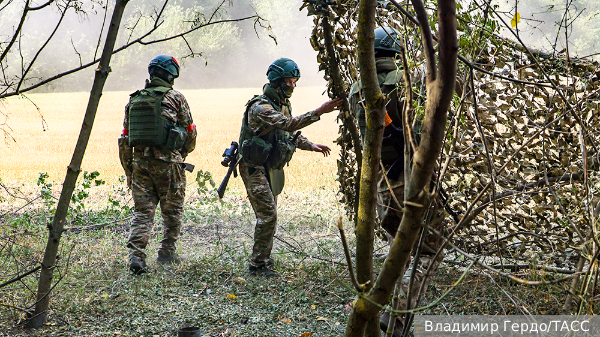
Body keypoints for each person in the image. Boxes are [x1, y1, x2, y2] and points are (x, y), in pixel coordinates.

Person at [348, 27, 446, 336]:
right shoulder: (411, 81)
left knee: (397, 249)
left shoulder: (357, 89)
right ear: (396, 52)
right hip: (411, 180)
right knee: (427, 252)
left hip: (380, 185)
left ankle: (376, 310)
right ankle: (396, 318)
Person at [238, 57, 343, 277]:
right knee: (268, 215)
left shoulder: (281, 105)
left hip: (270, 166)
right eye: (289, 81)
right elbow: (287, 124)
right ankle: (257, 266)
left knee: (271, 214)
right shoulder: (261, 107)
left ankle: (263, 259)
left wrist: (310, 145)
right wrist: (319, 111)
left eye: (295, 81)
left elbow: (289, 134)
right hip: (254, 167)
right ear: (277, 81)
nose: (292, 86)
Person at [118, 54, 197, 275]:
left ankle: (136, 256)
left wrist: (129, 170)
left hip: (140, 164)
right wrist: (181, 154)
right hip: (169, 165)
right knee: (172, 212)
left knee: (143, 213)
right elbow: (190, 132)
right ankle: (166, 253)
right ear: (172, 74)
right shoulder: (176, 98)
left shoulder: (133, 101)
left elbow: (124, 139)